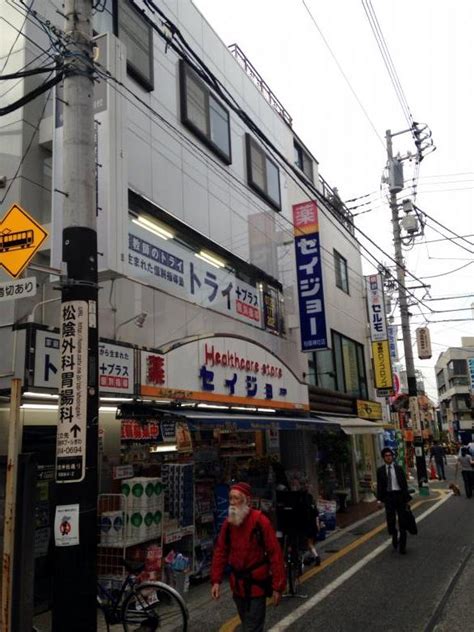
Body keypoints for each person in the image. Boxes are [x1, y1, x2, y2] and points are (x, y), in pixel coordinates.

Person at [211, 482, 286, 632]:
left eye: (236, 499)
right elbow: (221, 551)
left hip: (256, 585)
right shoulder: (229, 523)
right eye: (230, 498)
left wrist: (278, 586)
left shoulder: (260, 521)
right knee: (247, 624)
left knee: (252, 627)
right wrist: (216, 581)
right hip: (237, 586)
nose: (232, 502)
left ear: (247, 501)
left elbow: (274, 553)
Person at [376, 448, 412, 554]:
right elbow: (380, 486)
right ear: (383, 458)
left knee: (403, 521)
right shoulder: (380, 471)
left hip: (400, 496)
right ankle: (394, 534)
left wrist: (407, 499)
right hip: (389, 497)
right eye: (386, 455)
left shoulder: (399, 469)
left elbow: (404, 485)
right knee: (390, 521)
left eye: (390, 455)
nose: (388, 457)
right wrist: (379, 500)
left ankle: (403, 547)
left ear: (392, 457)